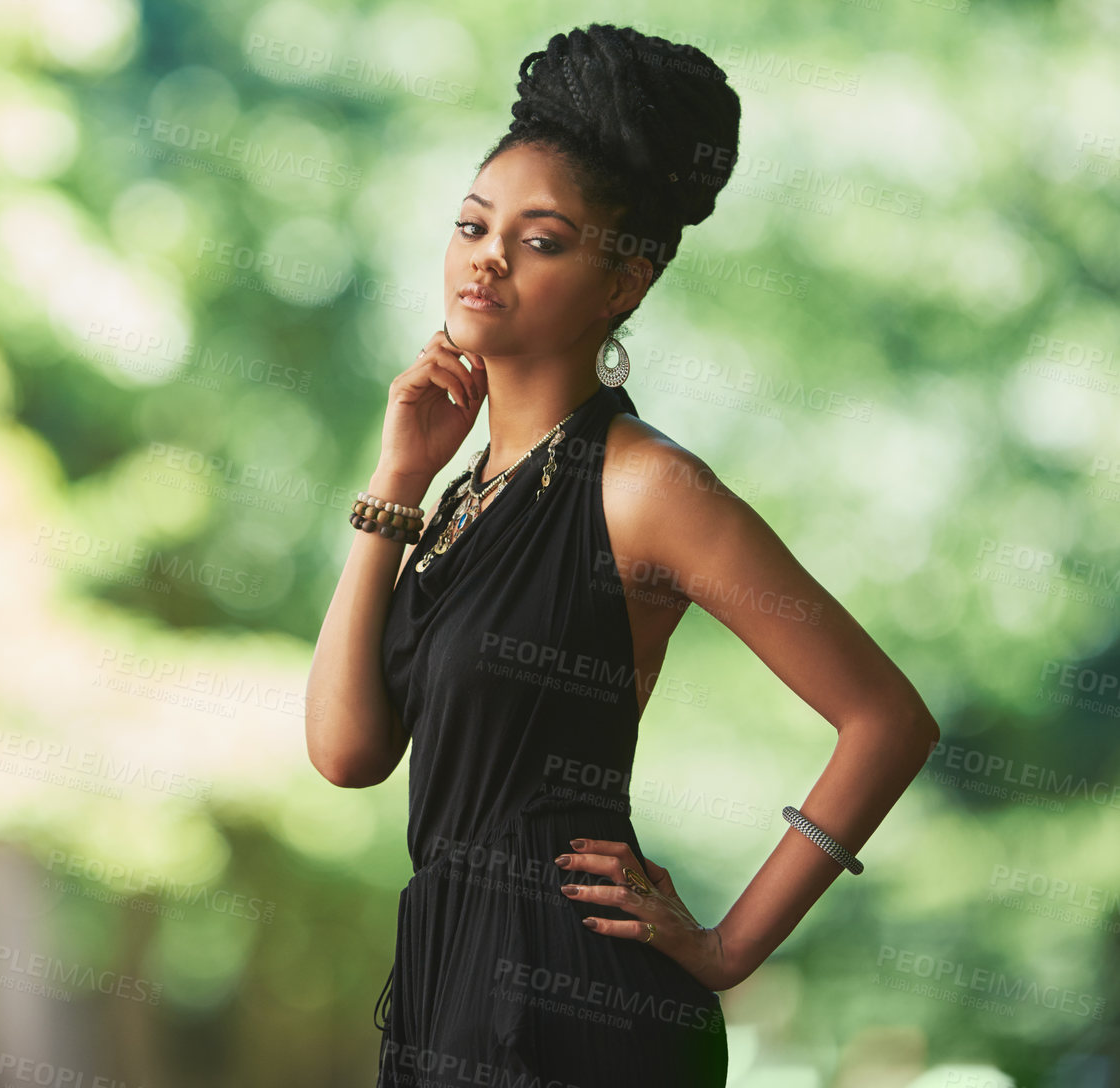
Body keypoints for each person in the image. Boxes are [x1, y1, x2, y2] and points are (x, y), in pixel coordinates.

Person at [303, 23, 941, 1085]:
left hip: (577, 1001)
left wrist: (730, 947)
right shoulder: (463, 496)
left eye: (542, 239)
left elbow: (889, 720)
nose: (489, 255)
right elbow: (347, 750)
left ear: (626, 283)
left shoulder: (646, 485)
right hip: (445, 981)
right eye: (473, 223)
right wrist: (397, 482)